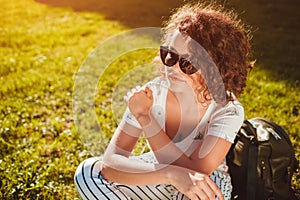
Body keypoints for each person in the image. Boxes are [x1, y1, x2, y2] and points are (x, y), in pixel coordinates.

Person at [74, 2, 253, 200]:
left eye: (188, 62)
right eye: (169, 55)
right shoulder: (152, 93)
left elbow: (198, 171)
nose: (173, 67)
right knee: (89, 171)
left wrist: (145, 118)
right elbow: (110, 163)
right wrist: (170, 174)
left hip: (207, 182)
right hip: (160, 175)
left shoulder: (227, 109)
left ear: (216, 67)